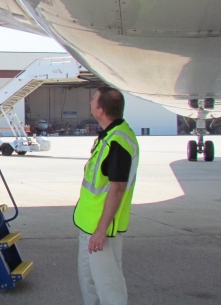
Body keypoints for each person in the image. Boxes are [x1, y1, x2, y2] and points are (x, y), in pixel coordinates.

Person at [74, 86, 139, 305]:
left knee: (109, 287)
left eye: (93, 100)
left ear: (100, 110)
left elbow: (117, 188)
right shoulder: (108, 135)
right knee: (89, 281)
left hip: (103, 230)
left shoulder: (117, 142)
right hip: (89, 224)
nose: (91, 102)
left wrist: (101, 230)